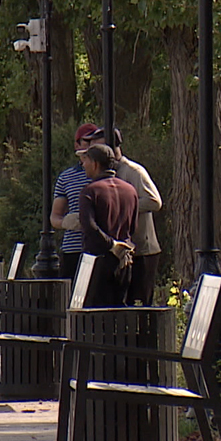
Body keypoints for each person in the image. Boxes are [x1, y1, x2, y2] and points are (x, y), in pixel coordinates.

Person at [94, 128, 162, 305]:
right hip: (120, 251)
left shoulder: (134, 171)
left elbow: (155, 201)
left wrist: (125, 206)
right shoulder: (102, 174)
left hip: (142, 250)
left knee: (140, 306)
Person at [78, 143, 138, 308]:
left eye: (86, 160)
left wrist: (111, 244)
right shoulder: (130, 190)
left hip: (96, 263)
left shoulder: (90, 191)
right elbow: (132, 227)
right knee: (119, 315)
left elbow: (89, 227)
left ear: (95, 164)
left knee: (95, 320)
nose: (83, 164)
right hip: (124, 262)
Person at [50, 123, 105, 279]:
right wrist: (66, 222)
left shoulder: (106, 174)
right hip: (73, 248)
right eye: (87, 142)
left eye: (95, 142)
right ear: (77, 145)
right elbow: (54, 216)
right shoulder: (66, 178)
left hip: (99, 247)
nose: (91, 146)